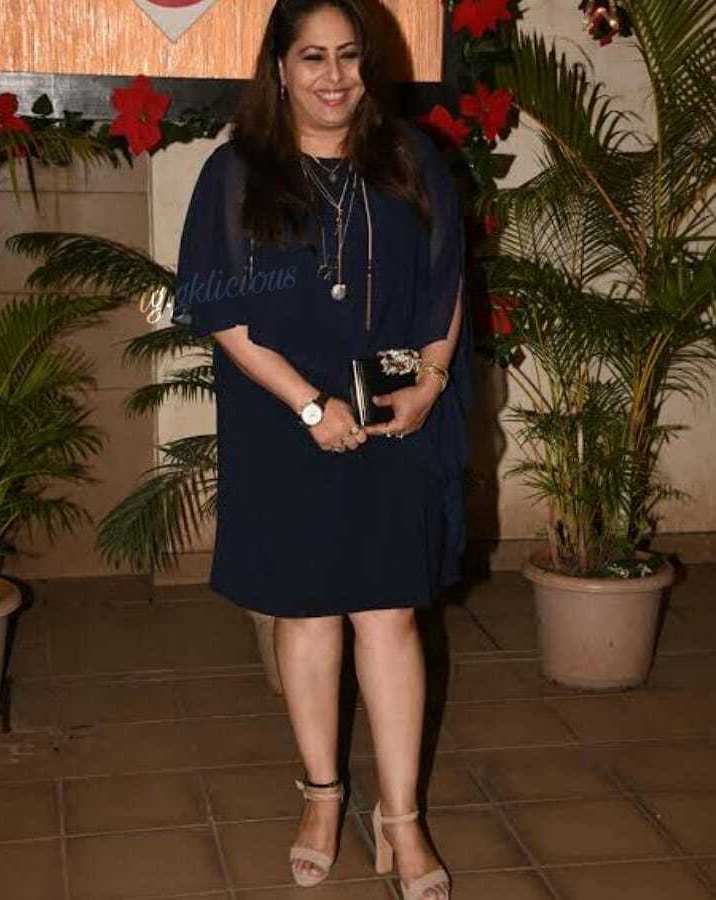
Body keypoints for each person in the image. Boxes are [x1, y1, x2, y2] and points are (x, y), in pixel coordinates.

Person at [172, 1, 472, 897]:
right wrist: (308, 406)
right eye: (313, 57)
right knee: (305, 614)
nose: (334, 77)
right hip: (284, 417)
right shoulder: (238, 171)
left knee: (390, 615)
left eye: (348, 56)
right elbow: (223, 314)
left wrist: (431, 382)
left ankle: (401, 818)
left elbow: (448, 278)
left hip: (393, 412)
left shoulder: (412, 159)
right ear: (280, 67)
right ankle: (322, 797)